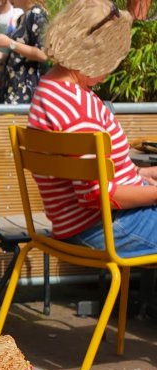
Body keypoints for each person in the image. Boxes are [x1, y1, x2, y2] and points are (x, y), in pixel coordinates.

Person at [29, 0, 157, 257]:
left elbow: (96, 173)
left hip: (81, 225)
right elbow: (98, 196)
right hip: (105, 227)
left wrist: (141, 174)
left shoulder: (50, 89)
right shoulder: (79, 109)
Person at [0, 0, 48, 104]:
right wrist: (2, 56)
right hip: (14, 88)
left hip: (26, 92)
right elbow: (23, 56)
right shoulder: (23, 17)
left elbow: (42, 54)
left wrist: (9, 43)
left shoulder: (36, 15)